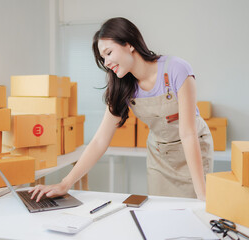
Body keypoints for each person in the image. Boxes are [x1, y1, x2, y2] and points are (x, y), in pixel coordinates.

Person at [30, 17, 213, 201]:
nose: (106, 62)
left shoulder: (176, 69)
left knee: (193, 212)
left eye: (109, 53)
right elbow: (100, 141)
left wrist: (202, 194)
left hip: (192, 150)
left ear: (129, 44)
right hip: (160, 156)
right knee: (162, 214)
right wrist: (64, 184)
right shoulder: (123, 87)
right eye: (103, 58)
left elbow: (188, 133)